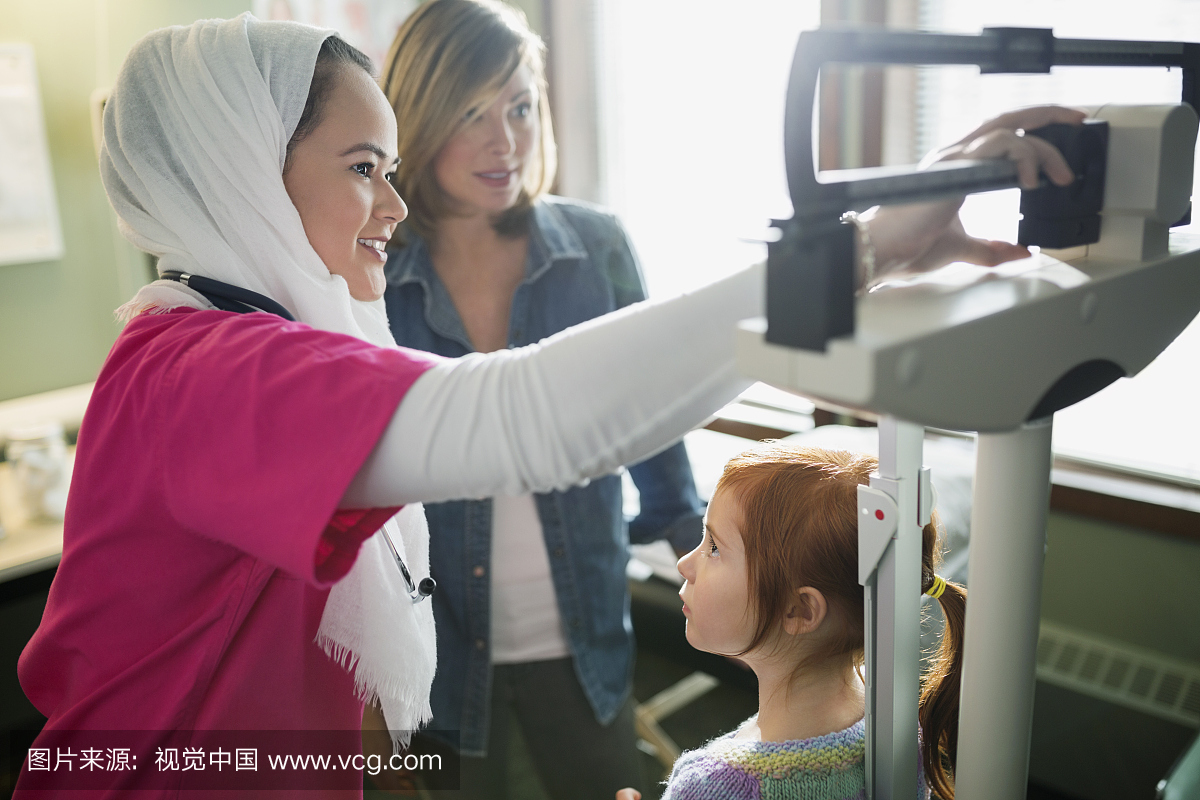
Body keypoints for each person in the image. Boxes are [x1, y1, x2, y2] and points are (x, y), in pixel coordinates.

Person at [13, 10, 1079, 798]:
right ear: (241, 173)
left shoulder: (236, 338)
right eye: (360, 166)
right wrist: (860, 247)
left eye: (388, 165)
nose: (390, 203)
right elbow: (528, 417)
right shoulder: (210, 369)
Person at [373, 2, 703, 797]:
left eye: (520, 106)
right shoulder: (372, 275)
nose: (506, 140)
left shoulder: (597, 250)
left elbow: (654, 432)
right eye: (471, 112)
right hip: (436, 653)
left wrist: (712, 555)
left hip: (585, 647)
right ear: (416, 116)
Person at [617, 443, 965, 800]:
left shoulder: (716, 787)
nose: (684, 564)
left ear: (799, 611)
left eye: (715, 547)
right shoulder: (900, 725)